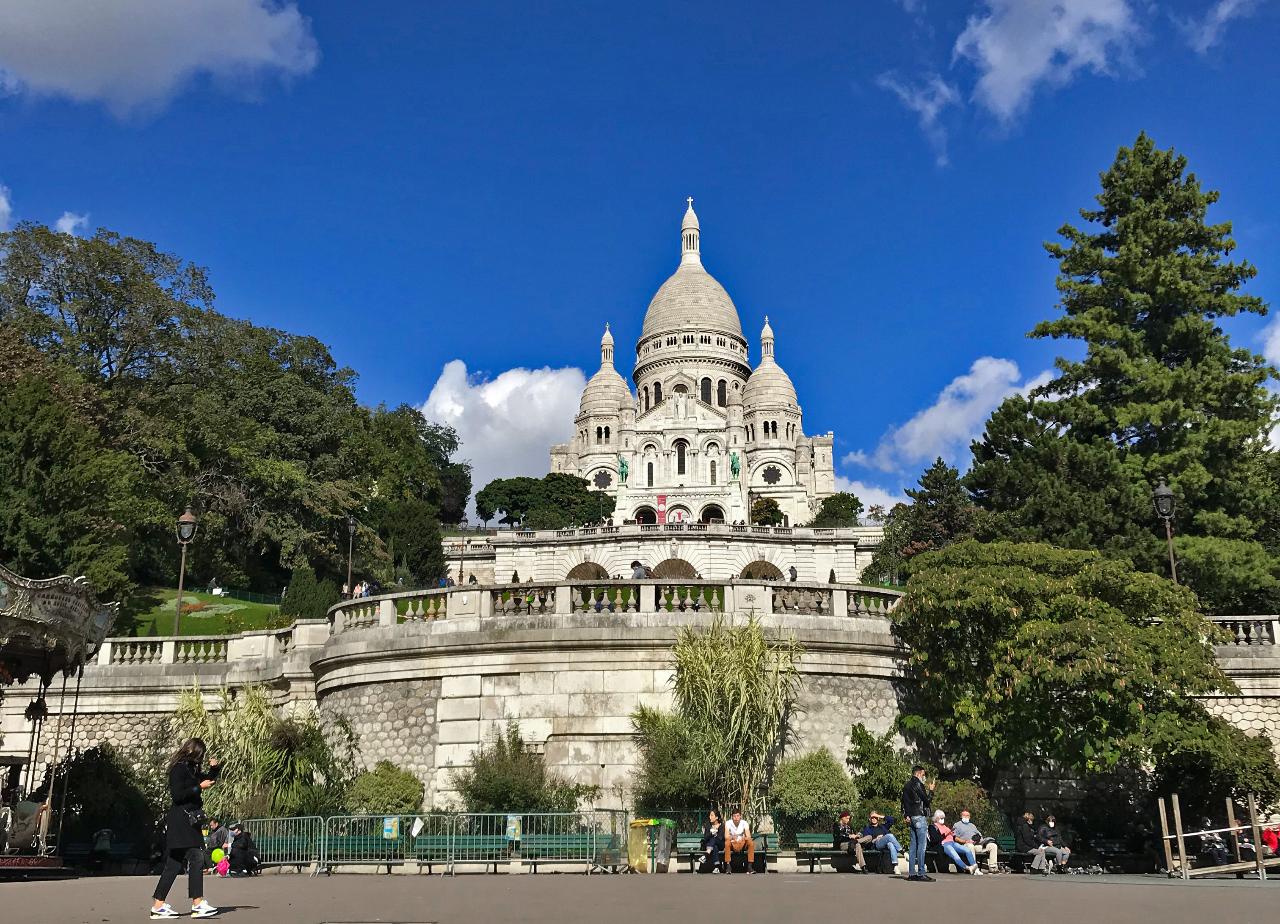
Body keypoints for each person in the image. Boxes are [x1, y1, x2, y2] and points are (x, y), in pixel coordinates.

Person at [150, 737, 221, 919]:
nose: (201, 759)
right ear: (192, 752)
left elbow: (205, 780)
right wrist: (198, 788)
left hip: (188, 820)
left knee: (173, 865)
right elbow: (177, 795)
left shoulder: (190, 769)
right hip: (182, 820)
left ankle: (158, 905)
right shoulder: (178, 769)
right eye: (200, 755)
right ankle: (197, 903)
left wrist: (214, 770)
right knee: (196, 856)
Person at [901, 765, 935, 881]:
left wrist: (906, 815)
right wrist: (931, 791)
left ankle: (911, 873)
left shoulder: (906, 785)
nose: (924, 777)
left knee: (913, 846)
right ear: (919, 773)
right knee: (921, 846)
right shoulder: (918, 784)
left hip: (911, 817)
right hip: (919, 816)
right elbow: (926, 800)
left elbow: (903, 802)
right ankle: (921, 873)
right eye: (923, 774)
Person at [931, 810, 981, 875]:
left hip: (953, 842)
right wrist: (946, 834)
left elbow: (954, 837)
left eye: (943, 818)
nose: (942, 819)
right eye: (941, 818)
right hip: (945, 844)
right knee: (955, 856)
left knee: (967, 850)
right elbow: (935, 839)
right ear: (936, 818)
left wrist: (964, 840)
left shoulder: (945, 826)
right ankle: (967, 868)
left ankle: (975, 867)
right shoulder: (933, 827)